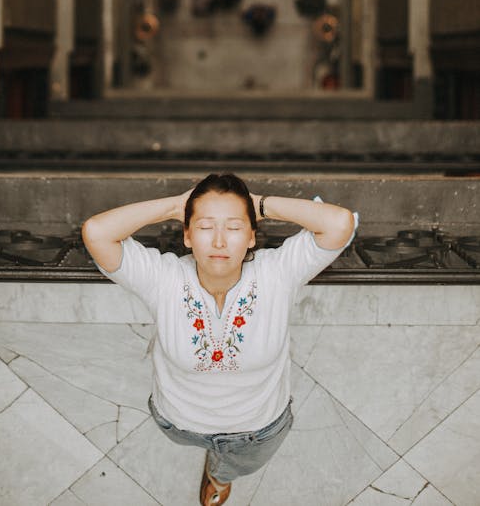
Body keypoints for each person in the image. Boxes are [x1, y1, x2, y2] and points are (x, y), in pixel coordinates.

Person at [82, 173, 357, 505]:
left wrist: (257, 205)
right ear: (186, 236)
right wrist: (174, 205)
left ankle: (220, 475)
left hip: (260, 430)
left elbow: (339, 223)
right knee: (194, 442)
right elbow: (97, 233)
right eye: (205, 226)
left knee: (237, 466)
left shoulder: (277, 273)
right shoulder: (163, 278)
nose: (219, 241)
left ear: (252, 237)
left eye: (234, 227)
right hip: (178, 422)